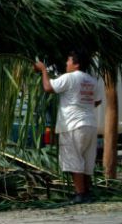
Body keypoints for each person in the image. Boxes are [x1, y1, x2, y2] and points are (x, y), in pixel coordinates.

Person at [34, 51, 101, 204]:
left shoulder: (69, 78)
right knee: (86, 162)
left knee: (74, 161)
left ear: (76, 64)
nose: (66, 63)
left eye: (68, 60)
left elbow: (48, 87)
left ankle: (79, 194)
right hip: (90, 124)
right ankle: (87, 193)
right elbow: (97, 102)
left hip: (72, 125)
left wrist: (43, 70)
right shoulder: (92, 81)